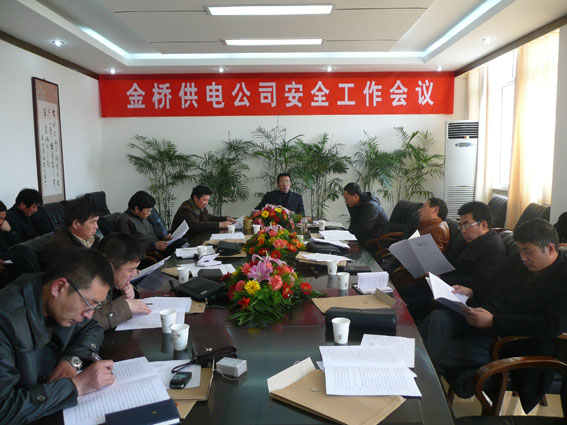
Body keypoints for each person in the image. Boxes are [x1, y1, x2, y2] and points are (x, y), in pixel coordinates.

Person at [419, 219, 567, 408]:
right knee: (438, 319)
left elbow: (549, 325)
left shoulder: (563, 279)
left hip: (513, 340)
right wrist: (472, 291)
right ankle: (431, 382)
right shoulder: (520, 260)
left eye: (528, 252)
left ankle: (424, 389)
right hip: (487, 321)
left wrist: (494, 321)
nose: (522, 257)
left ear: (551, 249)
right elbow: (495, 281)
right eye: (520, 250)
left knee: (434, 347)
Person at [0, 248, 116, 424]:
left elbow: (91, 328)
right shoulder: (5, 321)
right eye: (89, 303)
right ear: (59, 287)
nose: (89, 314)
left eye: (96, 306)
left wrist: (71, 360)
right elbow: (3, 409)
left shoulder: (55, 299)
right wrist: (77, 386)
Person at [442, 201, 506, 289]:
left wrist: (443, 279)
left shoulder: (494, 248)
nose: (463, 231)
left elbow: (479, 280)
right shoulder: (468, 239)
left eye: (466, 225)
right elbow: (452, 260)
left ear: (483, 225)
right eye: (461, 226)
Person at [94, 233, 151, 330]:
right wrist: (125, 307)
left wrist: (125, 293)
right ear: (110, 268)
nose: (135, 274)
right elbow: (83, 324)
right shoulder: (86, 285)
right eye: (130, 270)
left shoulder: (107, 278)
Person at [41, 196, 100, 269]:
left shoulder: (91, 238)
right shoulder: (57, 248)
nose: (96, 226)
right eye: (93, 222)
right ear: (76, 224)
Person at [118, 191, 184, 256]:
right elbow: (128, 245)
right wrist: (153, 245)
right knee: (182, 242)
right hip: (149, 253)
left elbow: (150, 235)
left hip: (158, 247)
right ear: (137, 209)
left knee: (182, 241)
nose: (150, 213)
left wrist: (163, 237)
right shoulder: (126, 220)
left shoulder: (142, 216)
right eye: (148, 210)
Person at [171, 184, 236, 246]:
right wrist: (220, 224)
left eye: (207, 200)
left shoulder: (199, 205)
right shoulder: (185, 209)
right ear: (195, 198)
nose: (206, 203)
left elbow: (208, 217)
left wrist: (225, 218)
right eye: (204, 200)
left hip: (197, 237)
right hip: (184, 242)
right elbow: (195, 225)